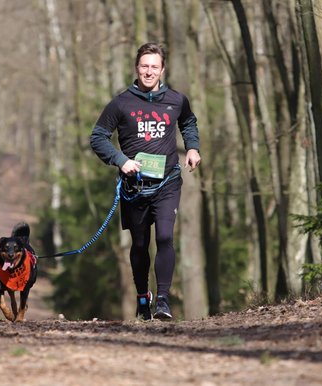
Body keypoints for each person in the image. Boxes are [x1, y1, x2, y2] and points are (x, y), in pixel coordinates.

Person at [90, 42, 201, 320]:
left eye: (154, 66)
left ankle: (162, 300)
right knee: (139, 245)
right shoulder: (121, 102)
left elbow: (188, 122)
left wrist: (192, 147)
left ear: (163, 69)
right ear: (136, 68)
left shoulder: (177, 100)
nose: (149, 72)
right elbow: (98, 137)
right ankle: (143, 297)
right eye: (144, 66)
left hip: (168, 183)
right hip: (134, 187)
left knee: (164, 237)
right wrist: (120, 160)